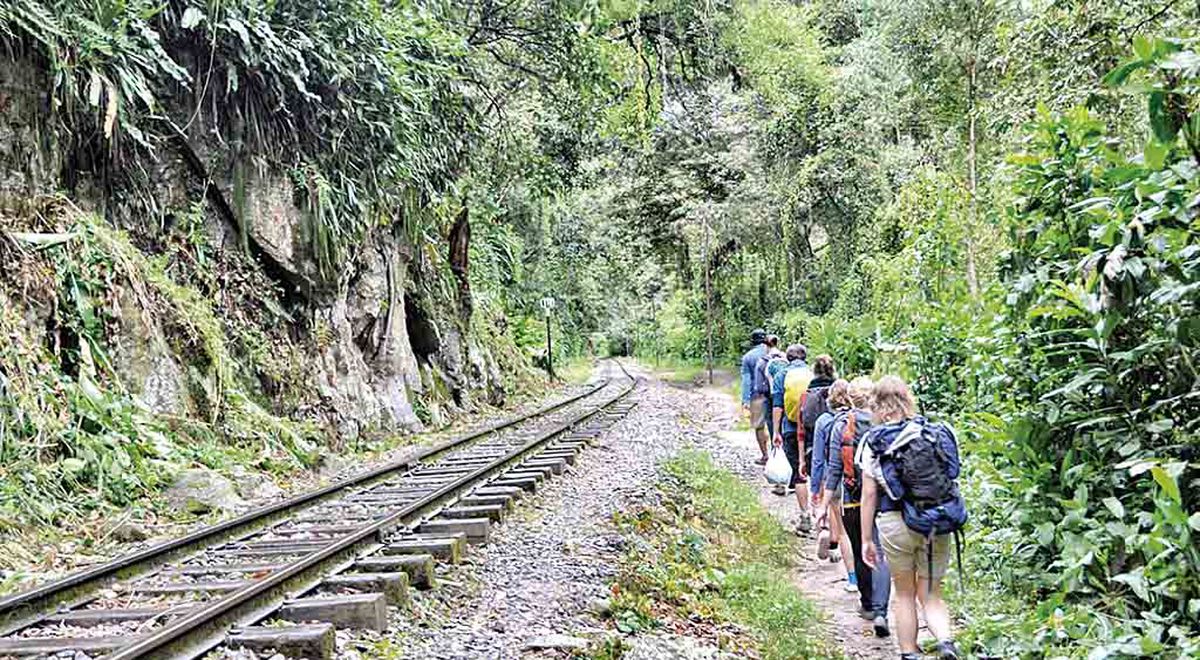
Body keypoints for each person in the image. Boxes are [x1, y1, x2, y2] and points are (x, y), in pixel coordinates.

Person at [858, 376, 959, 660]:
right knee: (931, 594)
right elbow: (951, 475)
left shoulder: (874, 441)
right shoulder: (932, 432)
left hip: (894, 522)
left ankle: (909, 654)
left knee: (903, 594)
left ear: (877, 406)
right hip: (935, 519)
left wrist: (867, 539)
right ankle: (946, 642)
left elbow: (868, 495)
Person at [822, 376, 891, 638]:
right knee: (881, 553)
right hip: (884, 500)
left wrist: (825, 502)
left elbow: (834, 467)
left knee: (861, 546)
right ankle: (881, 609)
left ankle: (867, 603)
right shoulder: (884, 424)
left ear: (850, 398)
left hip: (852, 498)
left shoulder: (841, 425)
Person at [812, 378, 859, 592]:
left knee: (843, 532)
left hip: (837, 480)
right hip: (859, 481)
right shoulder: (861, 419)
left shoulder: (825, 421)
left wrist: (817, 489)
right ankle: (870, 577)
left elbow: (821, 460)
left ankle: (852, 578)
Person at [771, 344, 812, 533]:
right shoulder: (813, 374)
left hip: (791, 428)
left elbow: (777, 406)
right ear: (805, 358)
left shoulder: (782, 375)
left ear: (787, 358)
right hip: (815, 429)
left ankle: (805, 517)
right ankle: (826, 521)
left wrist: (776, 431)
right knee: (820, 475)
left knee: (799, 474)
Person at [740, 328, 771, 465]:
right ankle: (780, 454)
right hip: (774, 395)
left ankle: (765, 455)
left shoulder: (748, 357)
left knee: (759, 426)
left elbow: (747, 379)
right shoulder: (774, 353)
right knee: (776, 425)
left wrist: (745, 400)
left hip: (756, 394)